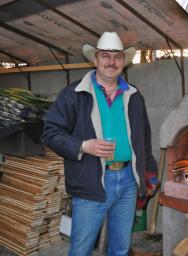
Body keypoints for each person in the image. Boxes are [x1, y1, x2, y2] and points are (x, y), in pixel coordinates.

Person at [43, 31, 158, 256]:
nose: (111, 62)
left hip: (126, 182)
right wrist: (83, 146)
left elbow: (144, 137)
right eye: (105, 56)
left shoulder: (134, 96)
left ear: (123, 62)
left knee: (120, 248)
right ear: (95, 59)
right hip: (90, 179)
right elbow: (51, 132)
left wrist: (148, 173)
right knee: (81, 249)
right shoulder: (75, 94)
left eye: (117, 57)